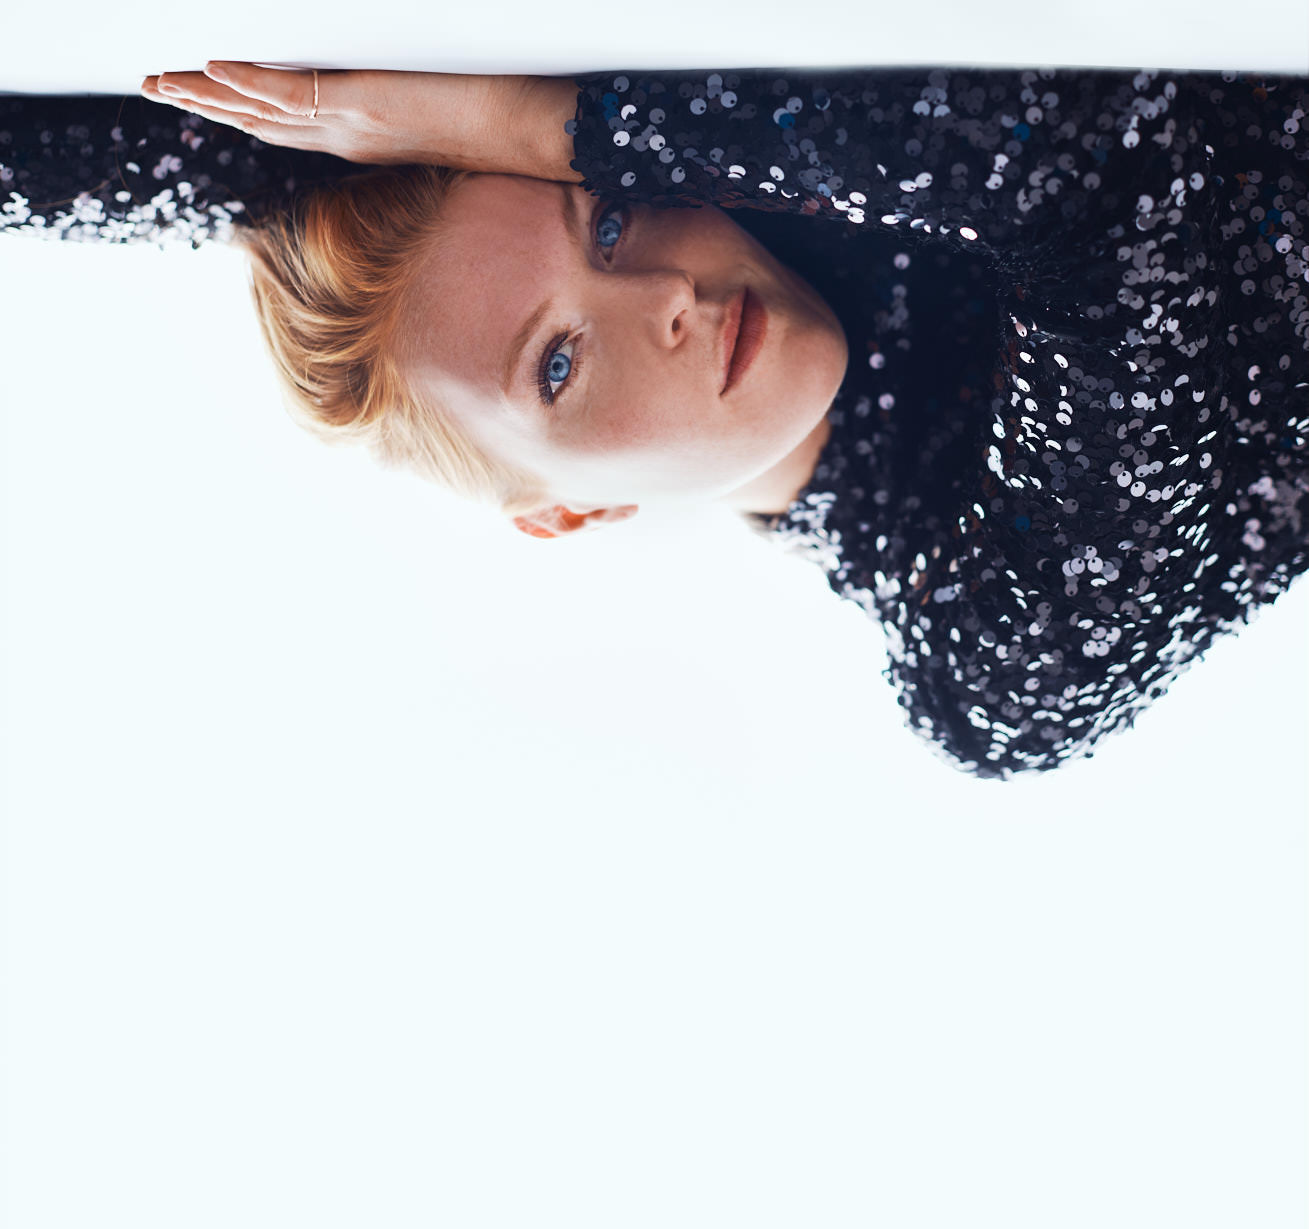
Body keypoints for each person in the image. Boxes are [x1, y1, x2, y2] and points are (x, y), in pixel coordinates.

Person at [3, 62, 1306, 779]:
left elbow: (216, 117)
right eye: (558, 364)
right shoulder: (991, 652)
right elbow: (1095, 171)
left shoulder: (776, 157)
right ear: (569, 511)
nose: (667, 296)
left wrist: (490, 130)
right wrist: (539, 127)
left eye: (610, 219)